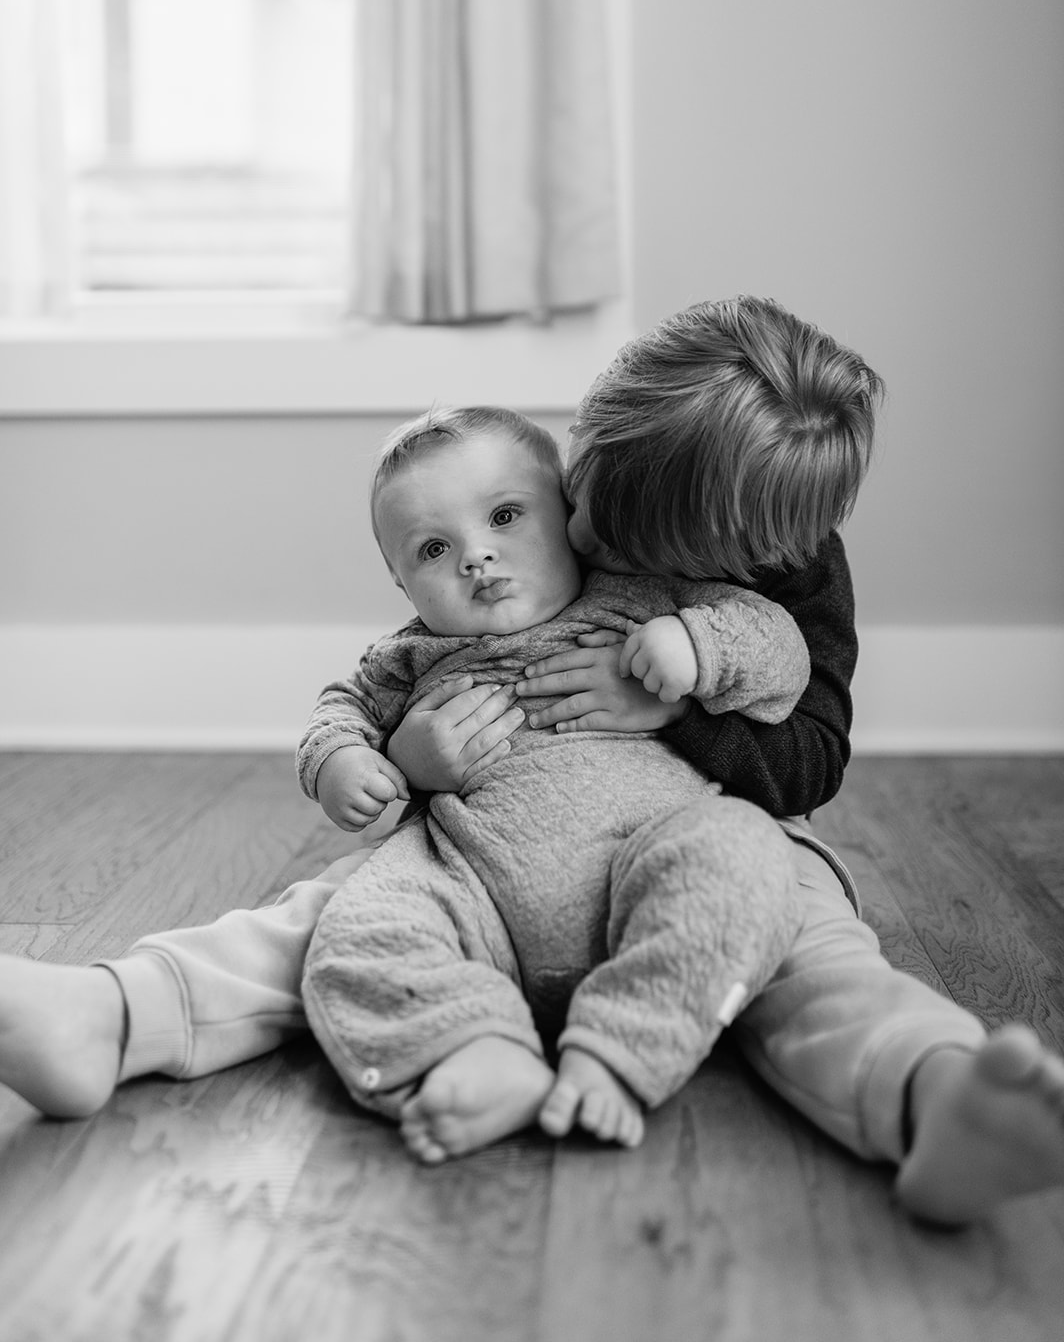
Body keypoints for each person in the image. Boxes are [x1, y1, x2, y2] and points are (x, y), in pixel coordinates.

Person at [1, 296, 1062, 1225]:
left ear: (726, 556)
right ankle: (113, 1014)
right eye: (575, 488)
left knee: (802, 940)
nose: (558, 529)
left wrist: (677, 694)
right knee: (335, 918)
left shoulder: (775, 568)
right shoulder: (557, 492)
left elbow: (802, 732)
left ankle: (932, 1095)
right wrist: (404, 760)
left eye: (549, 517)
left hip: (698, 817)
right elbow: (383, 671)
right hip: (481, 843)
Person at [297, 404, 811, 1160]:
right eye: (434, 549)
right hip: (473, 888)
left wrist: (698, 645)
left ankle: (620, 1049)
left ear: (572, 515)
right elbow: (337, 713)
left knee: (747, 858)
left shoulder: (643, 597)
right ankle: (473, 1045)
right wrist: (344, 762)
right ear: (402, 583)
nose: (476, 558)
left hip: (651, 853)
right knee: (355, 933)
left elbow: (783, 652)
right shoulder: (405, 660)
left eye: (505, 516)